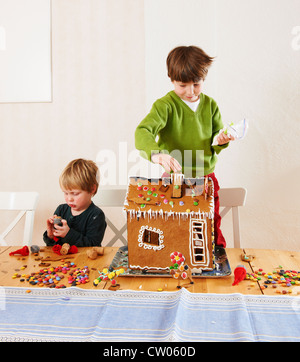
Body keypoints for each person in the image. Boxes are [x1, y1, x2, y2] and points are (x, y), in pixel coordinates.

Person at [135, 46, 234, 247]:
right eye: (182, 85)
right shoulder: (165, 105)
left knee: (210, 224)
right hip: (174, 180)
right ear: (171, 80)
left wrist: (221, 141)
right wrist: (157, 155)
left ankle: (215, 258)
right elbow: (142, 132)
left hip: (206, 178)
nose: (190, 91)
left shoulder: (210, 105)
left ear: (203, 79)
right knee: (172, 226)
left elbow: (215, 139)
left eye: (196, 84)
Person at [43, 158, 107, 247]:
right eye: (65, 193)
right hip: (63, 260)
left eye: (75, 194)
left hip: (86, 260)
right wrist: (51, 235)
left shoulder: (96, 215)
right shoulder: (61, 210)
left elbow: (92, 245)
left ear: (92, 189)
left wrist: (68, 234)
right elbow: (54, 245)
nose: (69, 199)